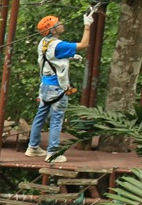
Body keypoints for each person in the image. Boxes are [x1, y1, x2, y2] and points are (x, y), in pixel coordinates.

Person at [25, 10, 93, 164]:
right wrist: (87, 25)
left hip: (45, 87)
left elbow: (51, 58)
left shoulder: (44, 43)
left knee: (40, 117)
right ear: (53, 30)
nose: (61, 24)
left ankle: (33, 147)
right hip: (57, 88)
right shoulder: (58, 45)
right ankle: (53, 153)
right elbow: (84, 44)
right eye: (58, 23)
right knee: (56, 120)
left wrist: (70, 57)